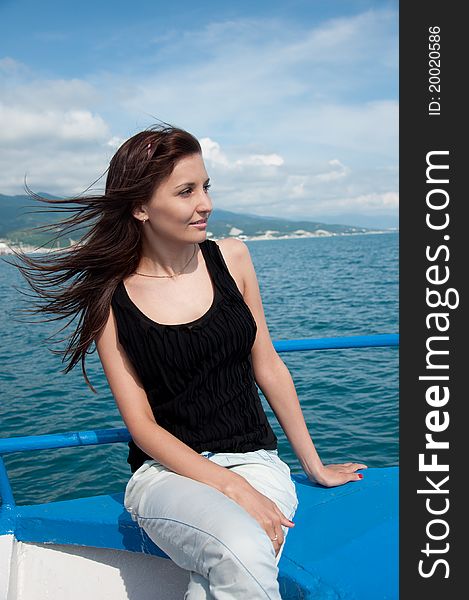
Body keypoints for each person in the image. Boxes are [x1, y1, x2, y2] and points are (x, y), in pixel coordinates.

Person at [14, 124, 367, 599]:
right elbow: (141, 425)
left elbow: (268, 367)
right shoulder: (110, 299)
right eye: (186, 191)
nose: (206, 203)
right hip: (164, 475)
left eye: (206, 186)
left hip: (255, 460)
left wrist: (314, 465)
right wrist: (230, 488)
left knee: (238, 554)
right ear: (141, 207)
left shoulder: (233, 259)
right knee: (242, 541)